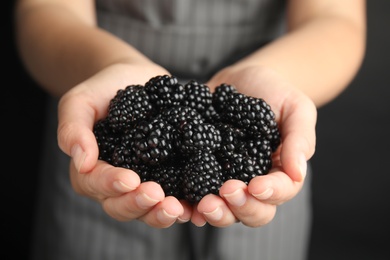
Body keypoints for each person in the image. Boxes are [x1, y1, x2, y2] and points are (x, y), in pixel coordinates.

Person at [14, 0, 366, 259]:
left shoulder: (236, 139)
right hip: (100, 129)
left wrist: (273, 82)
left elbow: (335, 17)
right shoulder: (140, 130)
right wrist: (112, 65)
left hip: (263, 165)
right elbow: (43, 10)